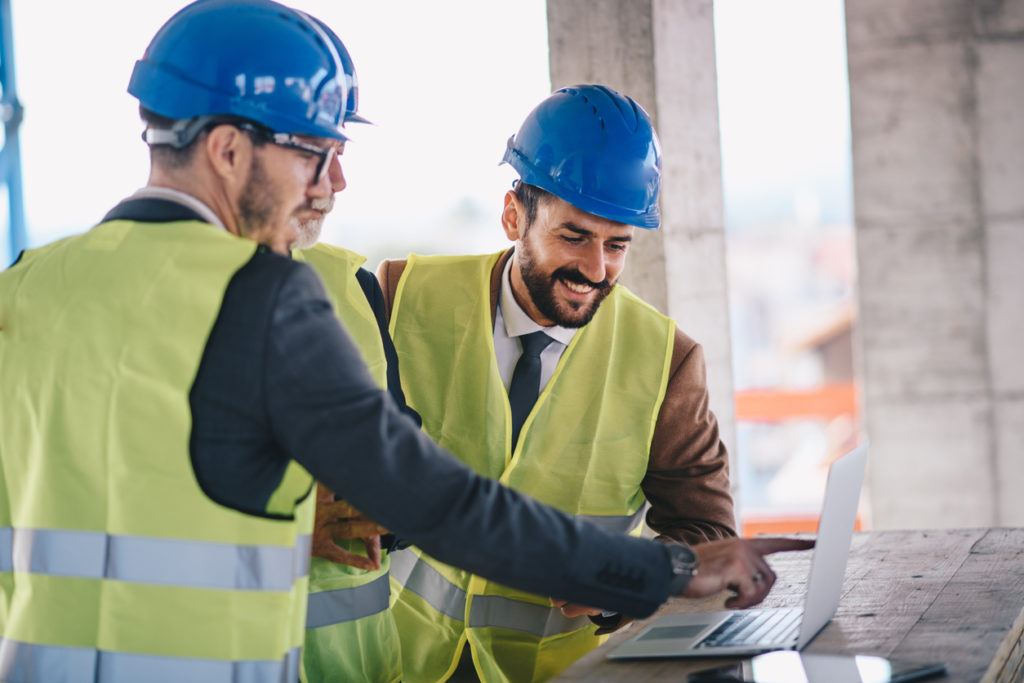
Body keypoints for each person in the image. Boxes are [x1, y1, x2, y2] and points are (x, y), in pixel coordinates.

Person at [0, 3, 812, 682]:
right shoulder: (263, 295)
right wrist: (667, 569)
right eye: (316, 155)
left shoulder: (25, 286)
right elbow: (437, 502)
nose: (333, 186)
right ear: (226, 149)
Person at [377, 84, 736, 682]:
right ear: (514, 214)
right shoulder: (397, 298)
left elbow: (709, 534)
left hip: (552, 674)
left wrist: (626, 580)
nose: (596, 271)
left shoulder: (666, 361)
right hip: (393, 661)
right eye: (574, 237)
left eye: (616, 245)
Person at [287, 14, 411, 683]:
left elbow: (401, 448)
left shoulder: (351, 283)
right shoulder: (137, 301)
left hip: (366, 663)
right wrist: (278, 535)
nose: (337, 183)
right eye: (315, 153)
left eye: (341, 153)